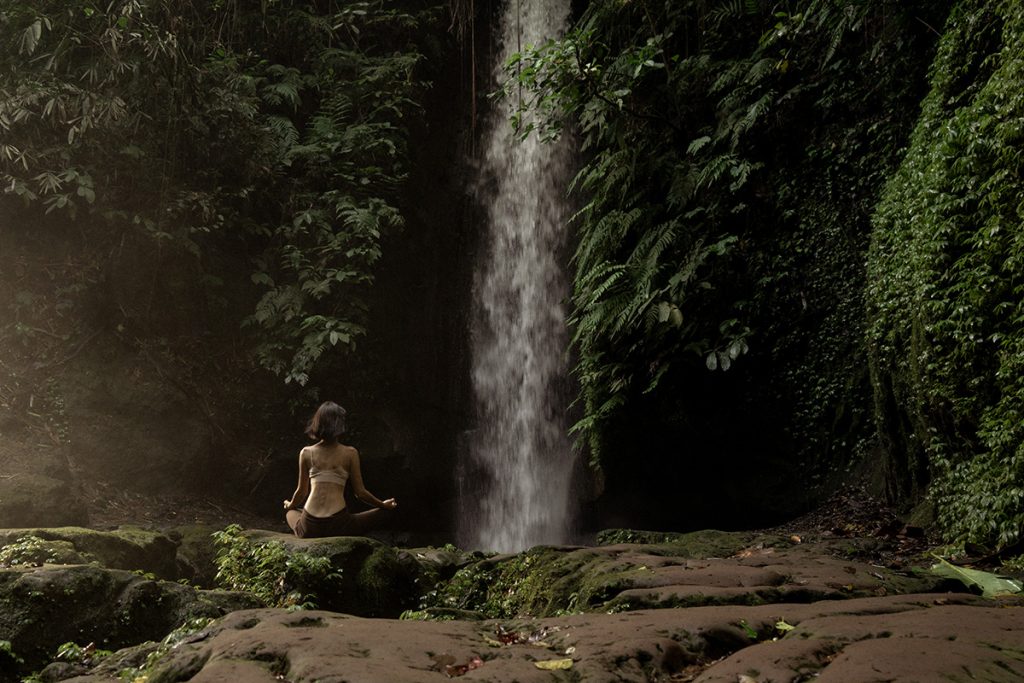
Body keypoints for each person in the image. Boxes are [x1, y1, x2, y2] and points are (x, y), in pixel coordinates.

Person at [283, 401, 397, 538]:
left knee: (291, 513)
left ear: (317, 423)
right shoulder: (350, 453)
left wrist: (290, 505)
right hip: (339, 524)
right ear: (339, 425)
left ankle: (303, 524)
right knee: (386, 512)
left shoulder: (306, 453)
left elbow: (301, 492)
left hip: (310, 526)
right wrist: (383, 505)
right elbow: (360, 493)